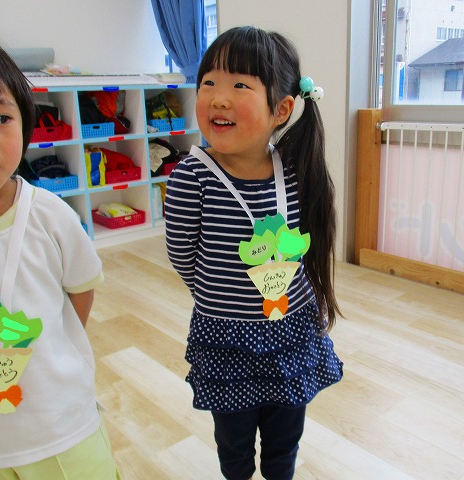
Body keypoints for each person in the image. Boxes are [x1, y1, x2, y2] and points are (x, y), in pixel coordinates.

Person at [0, 27, 119, 479]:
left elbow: (80, 292)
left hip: (61, 427)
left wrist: (51, 347)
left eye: (1, 117)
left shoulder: (51, 215)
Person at [165, 26, 343, 480]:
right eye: (209, 82)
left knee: (285, 441)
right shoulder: (192, 176)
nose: (219, 98)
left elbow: (306, 248)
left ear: (281, 109)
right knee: (235, 446)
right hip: (227, 339)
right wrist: (219, 297)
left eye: (240, 85)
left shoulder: (295, 169)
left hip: (291, 329)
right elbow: (182, 254)